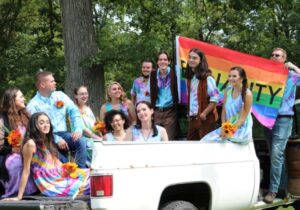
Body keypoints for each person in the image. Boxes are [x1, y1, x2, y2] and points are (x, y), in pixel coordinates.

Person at [4, 112, 90, 201]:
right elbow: (26, 171)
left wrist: (70, 168)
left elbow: (57, 162)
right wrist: (19, 197)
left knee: (91, 173)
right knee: (90, 183)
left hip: (59, 174)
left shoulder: (47, 140)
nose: (46, 125)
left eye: (47, 122)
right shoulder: (30, 144)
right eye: (41, 123)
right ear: (34, 126)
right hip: (50, 182)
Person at [27, 71, 87, 168]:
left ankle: (81, 172)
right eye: (52, 81)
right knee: (64, 161)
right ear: (42, 84)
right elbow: (36, 129)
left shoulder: (60, 95)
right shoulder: (33, 105)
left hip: (64, 133)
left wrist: (78, 129)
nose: (55, 83)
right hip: (47, 138)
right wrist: (56, 139)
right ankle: (67, 174)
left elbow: (74, 111)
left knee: (81, 141)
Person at [263, 48, 300, 203]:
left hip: (284, 119)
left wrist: (295, 67)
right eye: (272, 55)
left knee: (277, 155)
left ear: (284, 59)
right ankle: (284, 190)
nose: (273, 57)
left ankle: (273, 191)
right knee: (275, 156)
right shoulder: (265, 75)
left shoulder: (292, 76)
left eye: (277, 55)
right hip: (267, 119)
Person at [0, 88, 37, 197]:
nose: (24, 99)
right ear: (12, 100)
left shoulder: (27, 116)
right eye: (21, 97)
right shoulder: (2, 119)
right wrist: (13, 149)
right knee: (16, 163)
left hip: (31, 151)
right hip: (10, 154)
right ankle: (16, 193)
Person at [201, 67, 253, 144]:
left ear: (241, 79)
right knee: (205, 140)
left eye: (234, 76)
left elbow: (242, 120)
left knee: (220, 143)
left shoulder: (247, 94)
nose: (231, 78)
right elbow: (224, 111)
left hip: (240, 130)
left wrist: (227, 131)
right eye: (229, 76)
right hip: (227, 128)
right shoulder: (228, 90)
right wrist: (224, 127)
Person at [185, 48, 219, 140]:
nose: (191, 60)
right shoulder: (189, 78)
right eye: (190, 57)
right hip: (193, 119)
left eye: (195, 58)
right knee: (190, 146)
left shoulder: (208, 78)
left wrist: (204, 113)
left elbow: (215, 99)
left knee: (205, 147)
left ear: (200, 61)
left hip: (205, 119)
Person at [150, 50, 178, 140]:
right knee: (156, 139)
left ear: (169, 61)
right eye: (160, 59)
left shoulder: (175, 73)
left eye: (165, 59)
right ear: (157, 62)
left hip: (170, 112)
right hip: (157, 111)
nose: (163, 62)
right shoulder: (153, 74)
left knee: (168, 140)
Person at [73, 85, 102, 167]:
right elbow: (82, 128)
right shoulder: (74, 109)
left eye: (86, 93)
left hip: (93, 136)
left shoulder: (88, 108)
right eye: (81, 94)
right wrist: (96, 137)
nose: (84, 96)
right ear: (76, 95)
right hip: (83, 138)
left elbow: (95, 125)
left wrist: (102, 135)